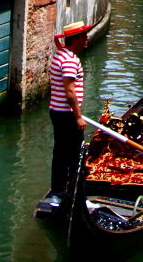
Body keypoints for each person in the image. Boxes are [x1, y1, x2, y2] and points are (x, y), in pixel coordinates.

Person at [47, 21, 91, 206]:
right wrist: (78, 116)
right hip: (67, 115)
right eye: (84, 36)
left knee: (60, 154)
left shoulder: (60, 55)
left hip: (57, 112)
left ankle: (58, 193)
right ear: (77, 39)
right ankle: (77, 197)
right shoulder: (70, 61)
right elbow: (70, 91)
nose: (87, 39)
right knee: (75, 156)